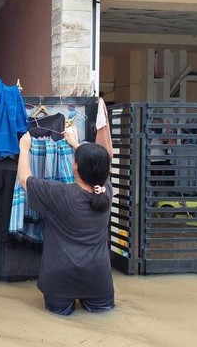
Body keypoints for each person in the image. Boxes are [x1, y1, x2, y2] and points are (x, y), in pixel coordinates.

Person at [17, 128, 115, 316]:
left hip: (60, 280)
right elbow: (96, 167)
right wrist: (76, 144)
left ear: (75, 166)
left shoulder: (59, 194)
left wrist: (24, 148)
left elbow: (24, 179)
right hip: (98, 279)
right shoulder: (106, 191)